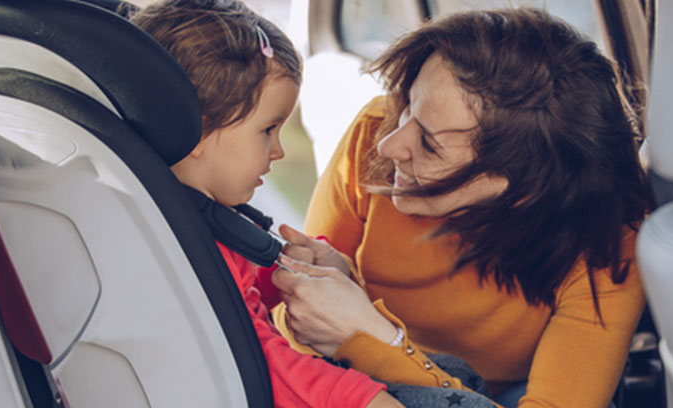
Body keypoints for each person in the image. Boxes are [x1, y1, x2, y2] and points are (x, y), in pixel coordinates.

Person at [271, 8, 653, 407]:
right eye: (408, 108)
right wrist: (337, 293)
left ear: (523, 188)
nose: (391, 146)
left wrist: (376, 338)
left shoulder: (608, 244)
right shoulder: (374, 133)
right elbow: (296, 337)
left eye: (430, 145)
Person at [129, 1, 403, 406]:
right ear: (199, 127)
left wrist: (294, 274)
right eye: (268, 130)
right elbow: (256, 358)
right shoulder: (192, 250)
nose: (278, 151)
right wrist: (361, 399)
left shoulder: (187, 214)